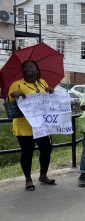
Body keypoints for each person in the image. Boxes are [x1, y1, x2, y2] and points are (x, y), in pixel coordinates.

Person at [7, 60, 55, 191]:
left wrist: (50, 92)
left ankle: (43, 175)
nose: (29, 68)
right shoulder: (16, 84)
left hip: (41, 126)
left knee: (46, 149)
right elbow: (9, 101)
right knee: (27, 153)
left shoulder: (42, 82)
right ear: (23, 71)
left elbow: (47, 101)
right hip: (24, 127)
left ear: (37, 69)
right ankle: (28, 179)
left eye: (32, 66)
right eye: (26, 67)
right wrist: (14, 95)